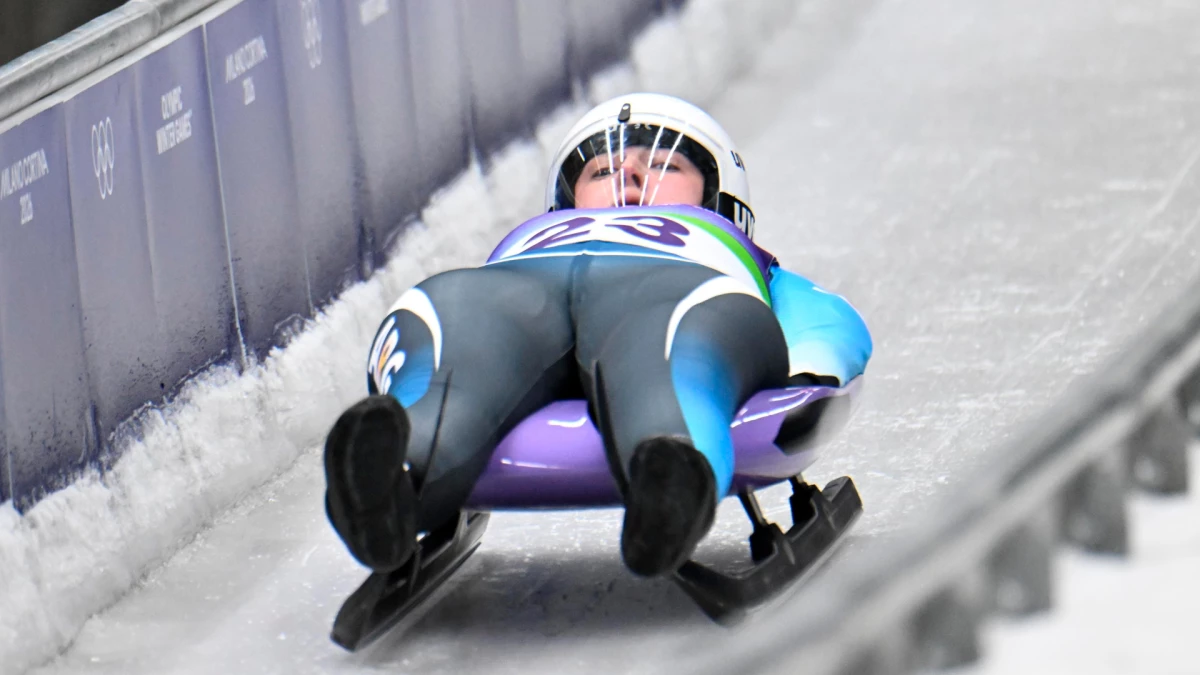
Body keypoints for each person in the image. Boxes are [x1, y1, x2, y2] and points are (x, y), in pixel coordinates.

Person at [323, 93, 873, 579]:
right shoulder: (532, 240)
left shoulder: (737, 260)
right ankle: (390, 479)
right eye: (604, 171)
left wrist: (810, 372)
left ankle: (672, 476)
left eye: (665, 164)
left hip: (678, 285)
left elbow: (822, 320)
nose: (632, 176)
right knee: (454, 349)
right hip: (505, 293)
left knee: (674, 349)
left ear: (719, 200)